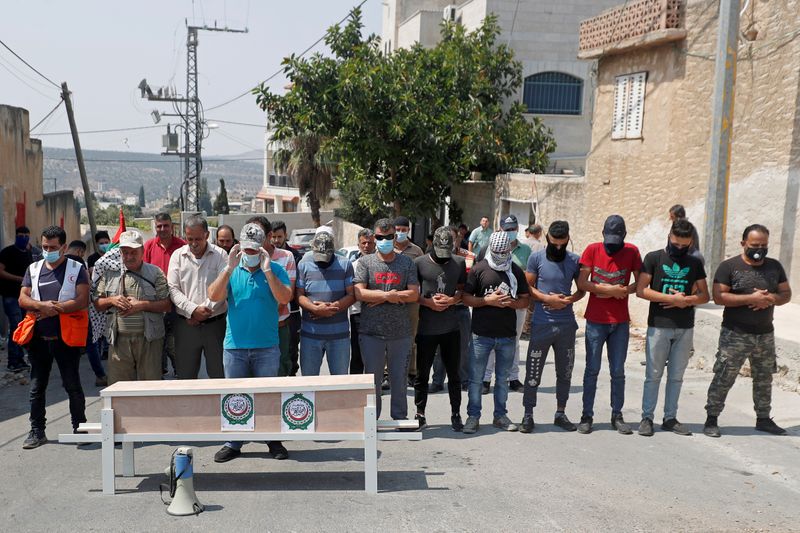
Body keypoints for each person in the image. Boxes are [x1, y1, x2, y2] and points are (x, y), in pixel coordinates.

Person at [208, 223, 292, 463]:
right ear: (240, 247)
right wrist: (228, 268)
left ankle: (272, 440)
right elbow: (213, 295)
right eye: (247, 249)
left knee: (267, 396)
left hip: (266, 346)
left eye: (255, 249)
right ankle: (234, 442)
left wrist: (267, 270)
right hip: (235, 347)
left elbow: (285, 298)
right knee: (235, 397)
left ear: (264, 246)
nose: (251, 254)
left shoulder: (275, 269)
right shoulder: (231, 270)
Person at [703, 224, 792, 437]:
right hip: (735, 334)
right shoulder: (729, 267)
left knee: (764, 378)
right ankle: (711, 419)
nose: (759, 249)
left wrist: (770, 299)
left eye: (763, 245)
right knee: (724, 375)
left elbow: (786, 294)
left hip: (765, 334)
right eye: (754, 245)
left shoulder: (774, 267)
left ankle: (763, 418)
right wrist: (751, 299)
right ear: (743, 243)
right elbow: (719, 296)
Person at [636, 218, 709, 437]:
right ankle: (647, 418)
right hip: (659, 325)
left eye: (683, 246)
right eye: (675, 244)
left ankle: (670, 417)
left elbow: (704, 295)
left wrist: (685, 301)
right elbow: (641, 290)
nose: (678, 248)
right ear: (669, 237)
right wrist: (670, 298)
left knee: (676, 376)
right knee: (653, 374)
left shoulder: (695, 263)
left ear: (690, 243)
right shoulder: (654, 258)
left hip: (685, 327)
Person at [19, 226, 89, 449]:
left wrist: (55, 309)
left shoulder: (76, 269)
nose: (48, 251)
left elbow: (82, 299)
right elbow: (23, 298)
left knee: (72, 385)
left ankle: (80, 428)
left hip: (65, 338)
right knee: (37, 387)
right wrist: (41, 306)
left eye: (53, 247)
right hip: (38, 338)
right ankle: (36, 430)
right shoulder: (33, 268)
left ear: (64, 247)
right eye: (45, 246)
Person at [576, 215, 642, 435]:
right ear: (603, 233)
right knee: (592, 370)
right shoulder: (592, 250)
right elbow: (582, 283)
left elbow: (641, 282)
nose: (612, 243)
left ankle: (617, 415)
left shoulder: (632, 251)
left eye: (617, 238)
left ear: (624, 235)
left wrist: (626, 290)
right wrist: (609, 290)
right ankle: (587, 416)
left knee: (618, 371)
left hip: (620, 322)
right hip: (596, 320)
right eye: (609, 237)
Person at [461, 231, 530, 434]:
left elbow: (526, 300)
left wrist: (512, 303)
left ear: (509, 250)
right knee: (476, 379)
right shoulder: (479, 269)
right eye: (497, 252)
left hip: (507, 335)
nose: (501, 255)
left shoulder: (515, 271)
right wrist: (486, 301)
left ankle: (500, 415)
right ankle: (473, 416)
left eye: (504, 252)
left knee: (502, 379)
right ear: (491, 249)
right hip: (481, 335)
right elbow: (466, 298)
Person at [520, 220, 585, 433]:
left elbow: (582, 289)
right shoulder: (536, 257)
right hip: (541, 323)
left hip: (566, 325)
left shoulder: (575, 260)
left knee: (565, 371)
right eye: (554, 243)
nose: (558, 247)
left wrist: (567, 300)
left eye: (562, 244)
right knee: (533, 371)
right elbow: (528, 287)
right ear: (547, 238)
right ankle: (528, 414)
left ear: (567, 239)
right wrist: (547, 298)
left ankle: (560, 413)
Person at [354, 218, 419, 420]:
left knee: (399, 378)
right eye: (380, 237)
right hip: (371, 332)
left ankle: (400, 417)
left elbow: (414, 294)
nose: (384, 240)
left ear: (395, 237)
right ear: (375, 237)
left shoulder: (406, 262)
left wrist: (384, 297)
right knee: (372, 380)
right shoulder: (365, 262)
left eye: (388, 237)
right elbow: (359, 293)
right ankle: (373, 419)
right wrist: (388, 296)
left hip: (401, 332)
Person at [94, 231, 171, 384]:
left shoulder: (155, 273)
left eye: (133, 252)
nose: (129, 256)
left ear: (142, 251)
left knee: (150, 387)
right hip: (119, 341)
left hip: (149, 340)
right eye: (125, 252)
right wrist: (112, 300)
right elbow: (98, 304)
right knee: (120, 389)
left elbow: (167, 305)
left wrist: (141, 305)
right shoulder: (109, 273)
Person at [414, 227, 467, 431]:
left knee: (454, 374)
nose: (444, 257)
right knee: (422, 374)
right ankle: (420, 413)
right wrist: (428, 303)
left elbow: (463, 291)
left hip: (451, 328)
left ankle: (455, 413)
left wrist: (452, 299)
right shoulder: (419, 264)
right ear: (432, 245)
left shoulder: (459, 263)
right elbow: (411, 294)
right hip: (426, 328)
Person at [167, 215, 228, 379]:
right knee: (186, 376)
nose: (193, 243)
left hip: (215, 325)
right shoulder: (177, 256)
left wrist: (204, 311)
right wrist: (193, 310)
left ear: (207, 235)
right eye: (189, 239)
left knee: (219, 375)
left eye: (198, 239)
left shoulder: (221, 255)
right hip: (186, 325)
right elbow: (173, 289)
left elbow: (224, 287)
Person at [477, 215, 531, 393]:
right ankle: (486, 379)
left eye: (513, 229)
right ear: (500, 228)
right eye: (507, 229)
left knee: (513, 341)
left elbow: (529, 277)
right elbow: (479, 274)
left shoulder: (526, 250)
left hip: (515, 303)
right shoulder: (487, 247)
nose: (510, 232)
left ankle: (513, 377)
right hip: (492, 303)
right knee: (491, 341)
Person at [296, 232, 355, 376]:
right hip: (310, 335)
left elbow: (352, 294)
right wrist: (315, 309)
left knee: (339, 383)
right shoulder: (304, 264)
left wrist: (333, 307)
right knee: (309, 384)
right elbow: (299, 295)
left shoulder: (345, 264)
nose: (322, 261)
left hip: (339, 336)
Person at [247, 216, 296, 377]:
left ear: (268, 236)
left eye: (258, 233)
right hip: (250, 330)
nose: (253, 237)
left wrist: (265, 319)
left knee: (279, 374)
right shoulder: (242, 258)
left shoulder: (286, 257)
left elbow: (286, 296)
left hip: (277, 327)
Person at [143, 212, 186, 377]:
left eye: (166, 225)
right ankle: (158, 375)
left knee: (175, 344)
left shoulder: (182, 246)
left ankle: (182, 374)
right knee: (156, 344)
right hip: (155, 304)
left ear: (172, 227)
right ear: (155, 227)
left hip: (177, 304)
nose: (162, 229)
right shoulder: (148, 246)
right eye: (159, 226)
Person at [0, 226, 36, 372]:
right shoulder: (7, 252)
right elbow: (0, 271)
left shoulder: (28, 253)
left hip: (24, 298)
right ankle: (13, 361)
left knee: (22, 328)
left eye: (26, 235)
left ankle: (20, 359)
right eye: (21, 235)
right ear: (16, 236)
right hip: (10, 296)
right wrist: (18, 279)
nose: (24, 238)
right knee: (15, 327)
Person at [394, 216, 424, 385]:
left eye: (403, 230)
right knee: (389, 335)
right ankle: (386, 373)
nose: (400, 233)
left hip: (412, 300)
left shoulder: (417, 251)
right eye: (397, 230)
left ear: (408, 230)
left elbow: (422, 275)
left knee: (411, 337)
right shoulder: (386, 248)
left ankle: (411, 372)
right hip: (391, 299)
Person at [272, 220, 303, 376]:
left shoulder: (295, 256)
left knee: (290, 350)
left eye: (280, 236)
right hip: (271, 313)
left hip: (292, 312)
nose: (276, 240)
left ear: (285, 235)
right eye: (274, 237)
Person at [348, 228, 375, 374]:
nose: (366, 246)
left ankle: (375, 385)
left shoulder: (382, 265)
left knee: (375, 353)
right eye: (363, 243)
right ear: (358, 244)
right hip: (358, 313)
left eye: (369, 243)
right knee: (357, 353)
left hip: (378, 313)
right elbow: (354, 292)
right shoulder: (353, 266)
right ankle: (356, 386)